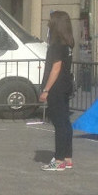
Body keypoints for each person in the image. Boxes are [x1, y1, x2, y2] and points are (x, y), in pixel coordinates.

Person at [40, 11, 76, 171]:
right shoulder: (67, 44)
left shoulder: (56, 46)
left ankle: (59, 159)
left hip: (57, 88)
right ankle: (67, 157)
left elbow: (56, 68)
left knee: (59, 124)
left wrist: (46, 89)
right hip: (66, 86)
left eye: (50, 21)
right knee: (65, 123)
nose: (48, 23)